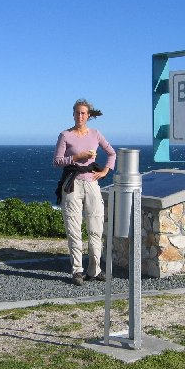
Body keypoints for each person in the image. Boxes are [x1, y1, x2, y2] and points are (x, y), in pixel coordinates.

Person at [53, 98, 116, 286]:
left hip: (91, 184)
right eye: (77, 113)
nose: (80, 116)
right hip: (72, 184)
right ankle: (77, 271)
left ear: (88, 116)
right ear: (73, 114)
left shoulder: (96, 134)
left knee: (96, 229)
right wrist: (77, 157)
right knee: (74, 230)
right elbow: (57, 162)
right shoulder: (65, 135)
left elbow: (112, 153)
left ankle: (94, 270)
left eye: (83, 113)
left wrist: (105, 171)